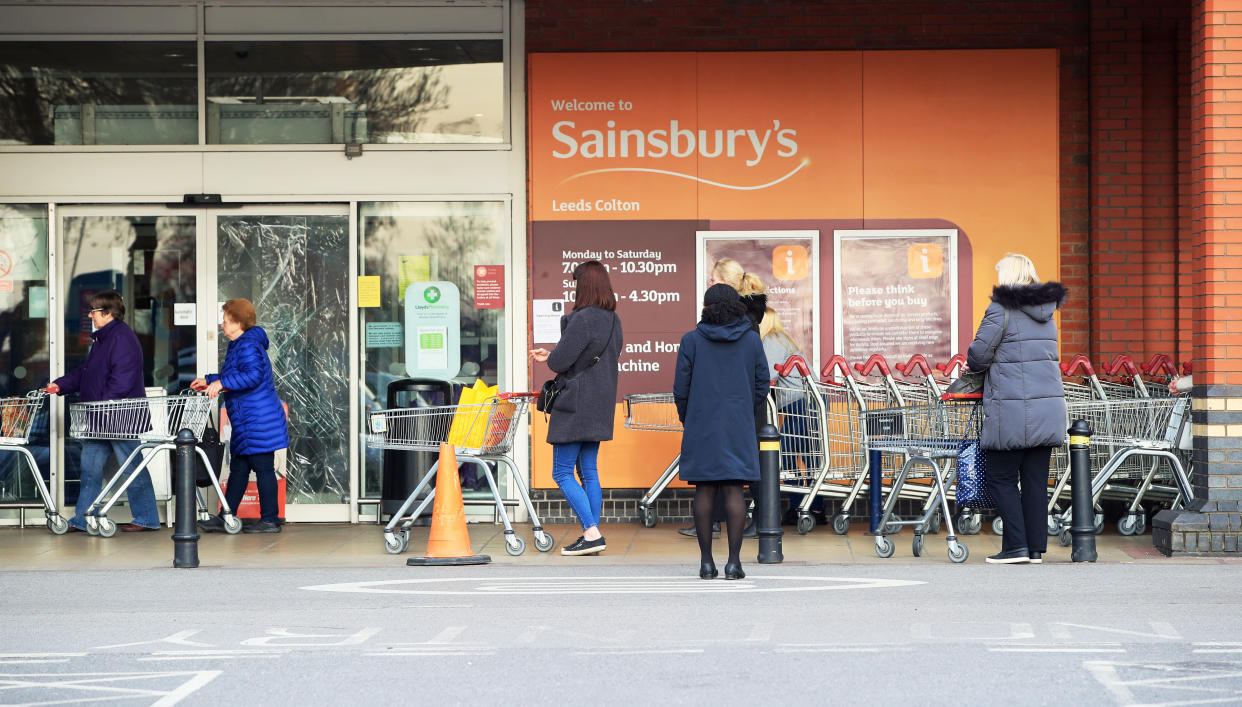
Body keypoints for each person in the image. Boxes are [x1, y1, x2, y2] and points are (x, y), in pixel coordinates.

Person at [967, 253, 1067, 564]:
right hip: (1047, 408)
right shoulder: (1046, 314)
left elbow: (978, 356)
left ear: (1008, 277)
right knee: (1035, 481)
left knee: (1002, 478)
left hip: (1011, 410)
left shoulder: (1000, 310)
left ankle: (1014, 547)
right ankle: (1035, 549)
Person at [674, 284, 771, 580]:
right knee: (734, 490)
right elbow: (762, 383)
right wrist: (744, 411)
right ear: (736, 307)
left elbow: (681, 388)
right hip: (738, 423)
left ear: (706, 308)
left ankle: (706, 563)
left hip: (702, 422)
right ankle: (733, 563)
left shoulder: (691, 341)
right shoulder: (751, 341)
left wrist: (688, 417)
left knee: (704, 489)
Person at [44, 290, 160, 532]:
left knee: (131, 466)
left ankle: (147, 518)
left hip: (119, 416)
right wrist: (60, 385)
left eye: (94, 311)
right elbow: (87, 373)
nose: (90, 315)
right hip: (101, 417)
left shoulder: (121, 338)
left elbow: (123, 379)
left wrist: (105, 405)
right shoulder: (103, 339)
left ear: (107, 313)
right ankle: (84, 518)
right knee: (90, 469)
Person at [529, 260, 623, 556]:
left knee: (562, 472)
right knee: (589, 471)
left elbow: (560, 363)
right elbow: (590, 357)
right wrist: (554, 353)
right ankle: (592, 534)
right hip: (600, 403)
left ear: (583, 287)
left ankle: (591, 533)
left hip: (576, 404)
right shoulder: (613, 320)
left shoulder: (581, 319)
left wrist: (551, 356)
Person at [193, 298, 289, 534]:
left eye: (225, 321)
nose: (222, 325)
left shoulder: (246, 345)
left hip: (257, 419)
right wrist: (210, 379)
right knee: (239, 468)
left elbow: (253, 376)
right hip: (248, 419)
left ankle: (269, 520)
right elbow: (239, 373)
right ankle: (228, 513)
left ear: (238, 323)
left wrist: (222, 383)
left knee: (263, 467)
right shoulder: (241, 344)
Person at [760, 307, 825, 522]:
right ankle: (815, 507)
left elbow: (767, 376)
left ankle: (798, 507)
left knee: (786, 451)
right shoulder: (783, 339)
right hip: (808, 400)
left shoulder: (772, 340)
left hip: (802, 401)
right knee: (808, 453)